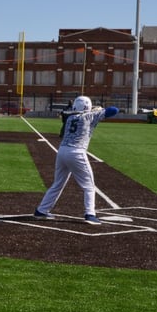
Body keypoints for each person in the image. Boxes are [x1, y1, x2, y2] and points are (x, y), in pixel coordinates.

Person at [34, 95, 119, 225]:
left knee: (58, 183)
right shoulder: (90, 116)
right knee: (89, 186)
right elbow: (114, 110)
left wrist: (94, 111)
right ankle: (90, 214)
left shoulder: (71, 118)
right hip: (77, 152)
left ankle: (41, 210)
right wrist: (96, 110)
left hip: (62, 151)